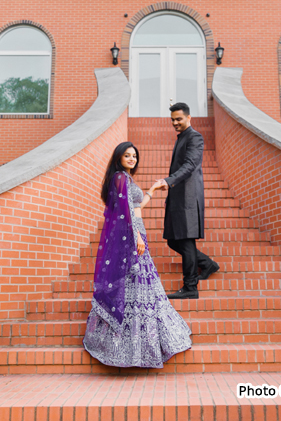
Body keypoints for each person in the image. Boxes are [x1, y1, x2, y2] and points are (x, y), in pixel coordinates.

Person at [82, 142, 192, 368]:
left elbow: (137, 207)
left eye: (134, 156)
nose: (132, 159)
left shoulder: (126, 179)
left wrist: (151, 191)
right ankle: (127, 345)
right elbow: (124, 213)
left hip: (136, 232)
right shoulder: (120, 178)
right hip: (131, 236)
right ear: (118, 157)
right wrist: (137, 237)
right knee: (135, 283)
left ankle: (140, 343)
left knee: (141, 286)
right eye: (127, 155)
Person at [153, 103, 220, 300]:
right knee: (173, 240)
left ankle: (190, 286)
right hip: (178, 197)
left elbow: (191, 165)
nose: (175, 123)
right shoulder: (181, 138)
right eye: (172, 119)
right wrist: (171, 194)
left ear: (189, 118)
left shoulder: (194, 137)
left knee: (186, 241)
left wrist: (168, 181)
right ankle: (207, 264)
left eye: (179, 119)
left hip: (189, 198)